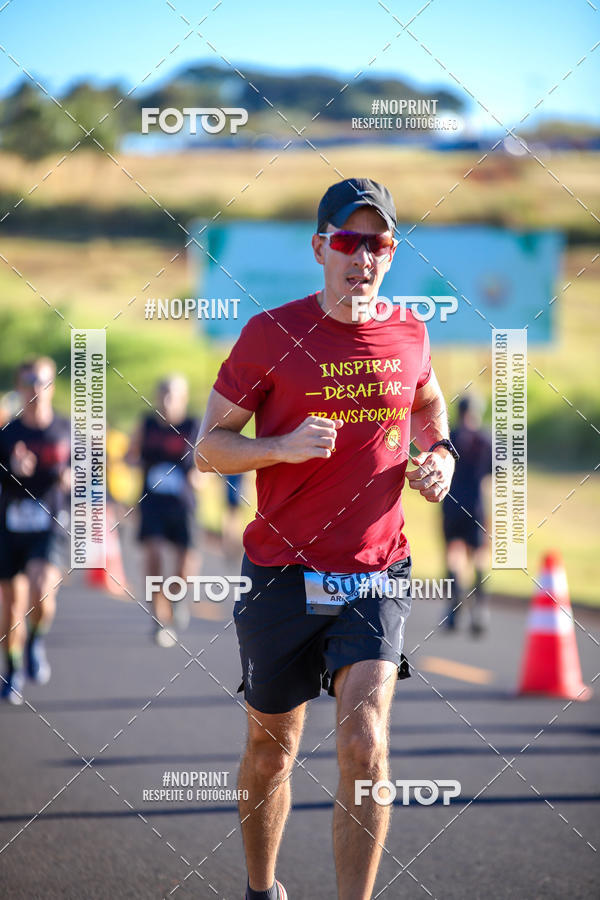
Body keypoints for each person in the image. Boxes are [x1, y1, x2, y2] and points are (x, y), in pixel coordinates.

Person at [196, 177, 457, 900]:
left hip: (375, 571)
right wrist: (279, 447)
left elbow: (429, 403)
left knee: (363, 743)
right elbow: (210, 447)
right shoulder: (270, 335)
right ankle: (261, 887)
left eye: (376, 243)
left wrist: (439, 455)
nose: (362, 256)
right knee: (270, 750)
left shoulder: (410, 331)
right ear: (320, 248)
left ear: (391, 252)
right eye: (348, 240)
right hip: (281, 571)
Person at [0, 357, 70, 706]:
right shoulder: (7, 434)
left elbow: (92, 477)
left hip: (49, 524)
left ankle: (35, 641)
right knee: (10, 609)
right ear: (20, 387)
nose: (36, 389)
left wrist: (73, 480)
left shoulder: (67, 431)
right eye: (28, 382)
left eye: (42, 381)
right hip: (10, 527)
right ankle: (12, 670)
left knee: (42, 591)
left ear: (51, 386)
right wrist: (11, 470)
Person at [128, 375, 202, 647]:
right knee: (154, 557)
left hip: (183, 507)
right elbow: (130, 452)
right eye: (163, 395)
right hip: (152, 505)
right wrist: (130, 459)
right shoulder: (147, 424)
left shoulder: (193, 426)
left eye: (173, 396)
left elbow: (205, 463)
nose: (167, 402)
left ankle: (177, 598)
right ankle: (159, 620)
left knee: (186, 568)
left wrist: (200, 477)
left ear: (183, 399)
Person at [441, 393, 492, 635]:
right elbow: (490, 480)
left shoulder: (449, 439)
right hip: (477, 504)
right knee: (480, 555)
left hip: (451, 502)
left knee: (454, 553)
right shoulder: (485, 440)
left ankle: (454, 608)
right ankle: (479, 608)